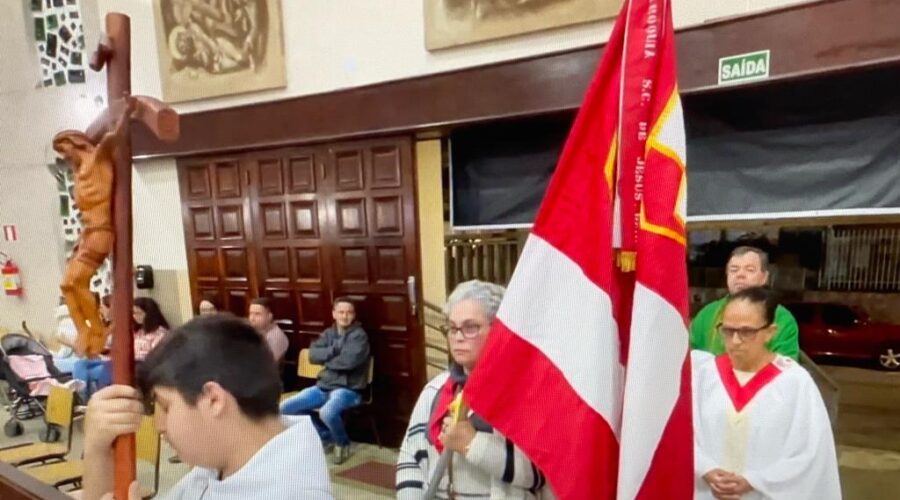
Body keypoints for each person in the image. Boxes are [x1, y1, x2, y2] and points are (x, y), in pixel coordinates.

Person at [82, 315, 334, 500]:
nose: (158, 426)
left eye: (166, 406)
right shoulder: (219, 462)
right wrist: (97, 450)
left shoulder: (293, 493)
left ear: (213, 399)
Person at [396, 280, 552, 500]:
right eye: (452, 328)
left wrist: (472, 443)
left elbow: (539, 475)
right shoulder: (435, 389)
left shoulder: (526, 394)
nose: (458, 337)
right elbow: (410, 456)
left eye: (470, 327)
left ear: (499, 330)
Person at [692, 287, 841, 499]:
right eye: (727, 330)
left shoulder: (794, 382)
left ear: (770, 332)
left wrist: (755, 481)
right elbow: (683, 433)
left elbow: (810, 453)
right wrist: (705, 468)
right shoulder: (704, 375)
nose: (735, 341)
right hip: (708, 491)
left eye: (746, 332)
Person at [280, 297, 370, 465]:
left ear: (354, 315)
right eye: (341, 312)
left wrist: (326, 360)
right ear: (334, 314)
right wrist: (335, 350)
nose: (345, 316)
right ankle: (325, 436)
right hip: (323, 386)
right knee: (284, 409)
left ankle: (342, 443)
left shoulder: (359, 336)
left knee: (327, 412)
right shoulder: (329, 333)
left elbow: (349, 362)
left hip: (348, 388)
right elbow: (312, 355)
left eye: (349, 312)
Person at [691, 246, 800, 359]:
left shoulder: (782, 318)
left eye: (749, 270)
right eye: (734, 270)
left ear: (764, 277)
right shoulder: (707, 314)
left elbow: (784, 368)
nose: (740, 275)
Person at [247, 298, 289, 363]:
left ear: (269, 316)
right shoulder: (254, 332)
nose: (252, 318)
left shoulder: (276, 337)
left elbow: (267, 365)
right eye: (250, 313)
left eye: (257, 314)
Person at [133, 297, 170, 362]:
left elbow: (155, 356)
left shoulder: (160, 334)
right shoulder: (139, 331)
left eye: (139, 313)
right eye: (133, 313)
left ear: (149, 314)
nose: (135, 316)